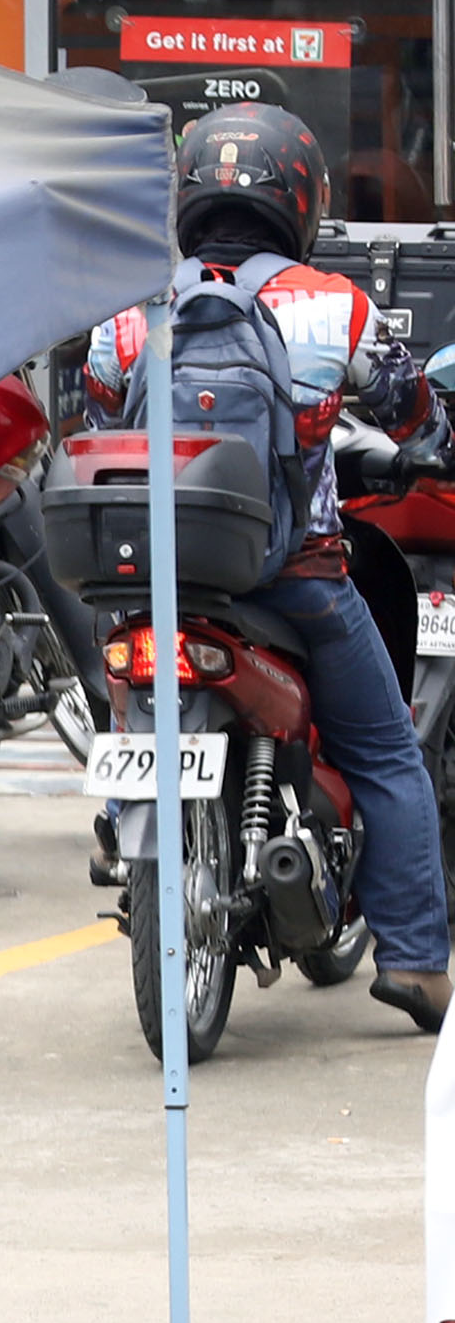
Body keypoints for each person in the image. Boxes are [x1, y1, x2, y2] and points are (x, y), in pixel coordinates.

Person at [81, 100, 452, 1033]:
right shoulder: (336, 304)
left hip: (149, 578)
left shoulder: (129, 308)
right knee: (387, 753)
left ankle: (123, 815)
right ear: (303, 198)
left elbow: (95, 410)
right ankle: (415, 963)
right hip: (297, 577)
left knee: (122, 681)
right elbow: (411, 409)